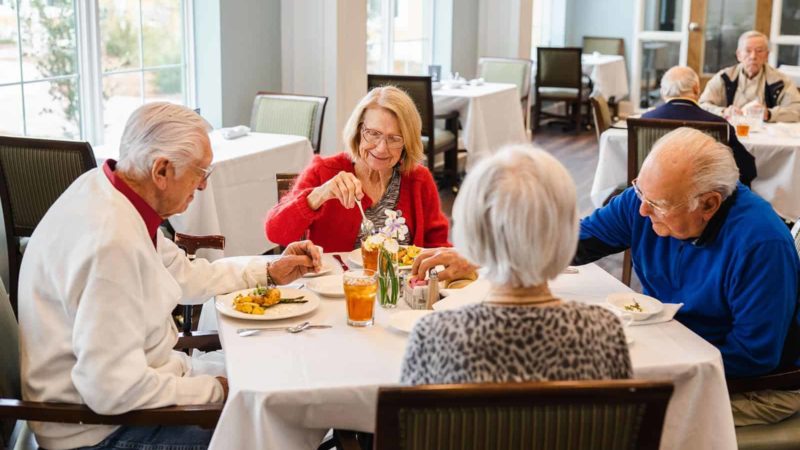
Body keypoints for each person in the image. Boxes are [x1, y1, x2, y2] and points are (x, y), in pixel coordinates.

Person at [18, 102, 321, 450]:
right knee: (274, 427)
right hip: (100, 431)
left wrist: (268, 270)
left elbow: (186, 275)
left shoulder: (110, 193)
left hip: (134, 392)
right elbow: (112, 390)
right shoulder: (111, 244)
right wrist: (216, 390)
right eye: (200, 172)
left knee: (275, 384)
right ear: (161, 171)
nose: (203, 186)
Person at [573, 127, 800, 425]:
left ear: (708, 204)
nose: (642, 209)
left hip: (759, 385)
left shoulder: (761, 244)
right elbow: (578, 241)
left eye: (658, 204)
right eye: (640, 190)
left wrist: (655, 363)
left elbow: (753, 356)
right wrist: (510, 247)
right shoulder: (643, 201)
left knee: (614, 421)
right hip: (685, 345)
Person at [401, 145, 632, 385]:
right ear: (564, 234)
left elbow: (414, 422)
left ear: (471, 232)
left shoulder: (434, 337)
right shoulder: (603, 334)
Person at [265, 86, 450, 252]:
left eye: (394, 138)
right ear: (358, 130)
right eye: (373, 134)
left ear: (407, 142)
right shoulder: (325, 170)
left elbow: (438, 247)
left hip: (400, 289)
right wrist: (320, 195)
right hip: (337, 287)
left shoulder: (419, 179)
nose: (381, 148)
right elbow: (275, 232)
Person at [644, 66, 757, 186]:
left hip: (653, 193)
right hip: (704, 198)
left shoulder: (646, 120)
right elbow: (747, 170)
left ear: (662, 92)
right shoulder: (718, 123)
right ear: (696, 89)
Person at [699, 30, 800, 122]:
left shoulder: (780, 81)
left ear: (766, 55)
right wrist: (723, 112)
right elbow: (702, 106)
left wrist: (769, 114)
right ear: (739, 55)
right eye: (748, 51)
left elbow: (796, 110)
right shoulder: (724, 78)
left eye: (759, 51)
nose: (753, 56)